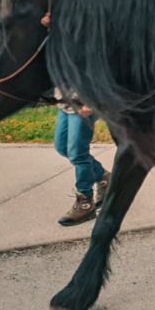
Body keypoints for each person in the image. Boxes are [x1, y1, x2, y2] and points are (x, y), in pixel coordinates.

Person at [54, 92, 109, 227]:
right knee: (62, 147)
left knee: (78, 154)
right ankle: (103, 177)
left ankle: (85, 203)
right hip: (65, 102)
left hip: (83, 102)